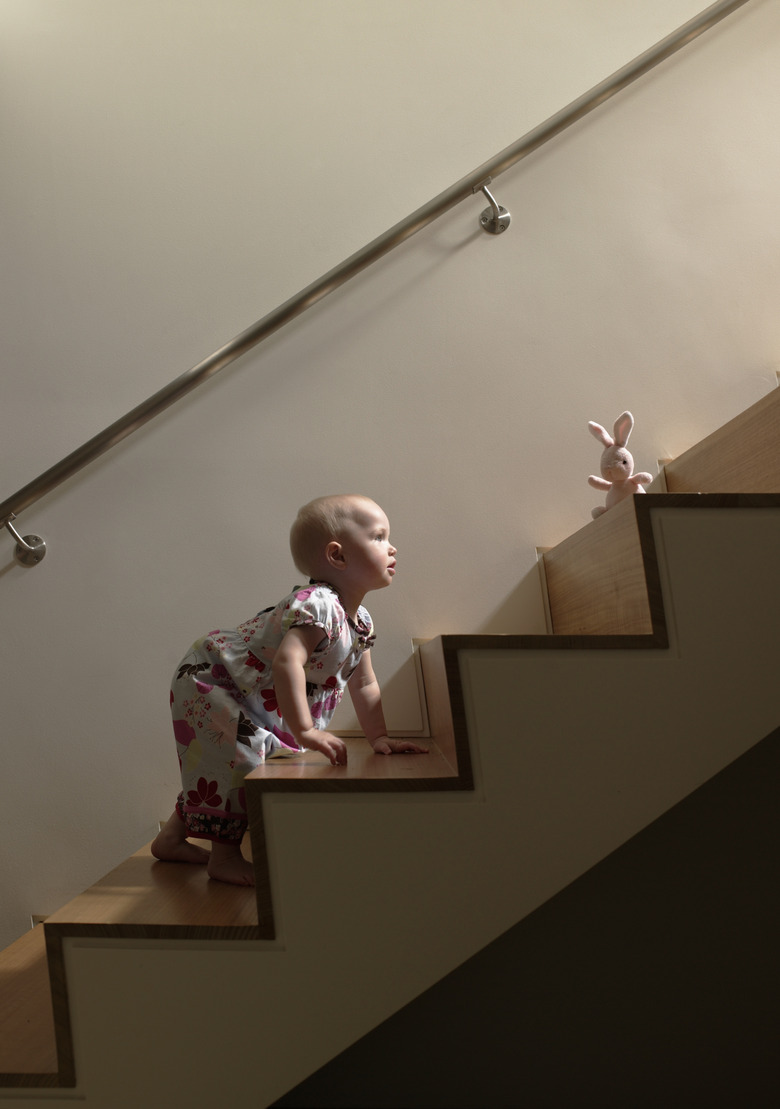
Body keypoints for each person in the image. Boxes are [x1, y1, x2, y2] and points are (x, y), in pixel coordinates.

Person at [151, 494, 427, 886]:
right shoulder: (317, 605)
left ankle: (171, 838)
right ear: (337, 556)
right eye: (380, 537)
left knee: (226, 759)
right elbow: (287, 662)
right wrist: (307, 731)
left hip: (250, 691)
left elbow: (364, 682)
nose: (392, 547)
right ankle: (223, 858)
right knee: (243, 758)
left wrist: (379, 736)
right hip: (213, 678)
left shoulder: (359, 621)